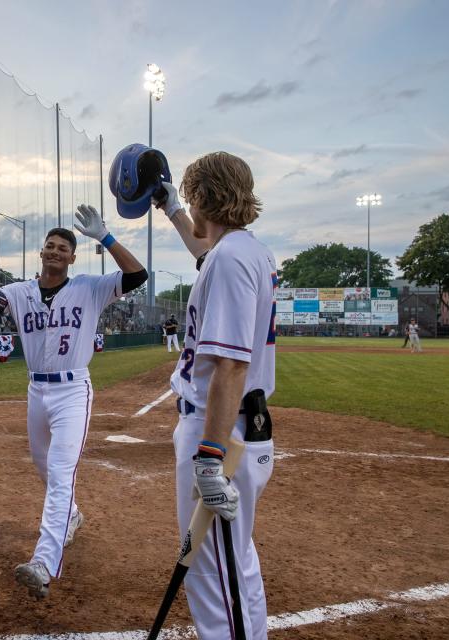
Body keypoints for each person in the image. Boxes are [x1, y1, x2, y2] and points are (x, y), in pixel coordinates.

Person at [0, 203, 147, 599]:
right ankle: (72, 515)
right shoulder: (22, 291)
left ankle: (44, 562)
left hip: (72, 391)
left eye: (64, 247)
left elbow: (137, 275)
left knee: (61, 472)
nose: (56, 251)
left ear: (73, 257)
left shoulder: (90, 288)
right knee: (44, 467)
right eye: (51, 245)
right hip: (36, 391)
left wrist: (105, 236)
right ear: (41, 252)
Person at [153, 151, 277, 640]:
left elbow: (230, 365)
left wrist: (209, 455)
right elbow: (203, 249)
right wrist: (169, 210)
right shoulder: (247, 251)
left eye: (189, 196)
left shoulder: (229, 260)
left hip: (219, 431)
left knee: (211, 575)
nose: (189, 204)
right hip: (239, 428)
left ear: (205, 195)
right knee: (235, 564)